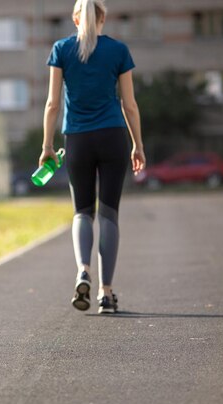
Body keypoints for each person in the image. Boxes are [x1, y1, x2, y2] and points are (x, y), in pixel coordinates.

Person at [40, 0, 146, 314]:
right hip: (113, 137)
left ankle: (83, 270)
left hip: (77, 140)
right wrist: (137, 144)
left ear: (76, 19)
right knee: (109, 214)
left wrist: (47, 146)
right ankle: (106, 293)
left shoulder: (61, 49)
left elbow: (52, 105)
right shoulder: (118, 51)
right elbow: (130, 105)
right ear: (103, 18)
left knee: (81, 212)